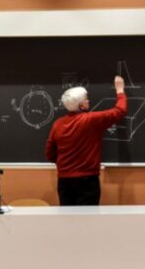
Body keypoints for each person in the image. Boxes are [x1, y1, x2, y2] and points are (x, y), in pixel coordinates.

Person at [44, 75, 127, 205]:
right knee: (87, 220)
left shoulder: (57, 124)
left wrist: (65, 165)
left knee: (68, 219)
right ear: (81, 105)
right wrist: (120, 90)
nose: (88, 101)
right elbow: (120, 111)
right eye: (86, 99)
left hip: (64, 181)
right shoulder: (91, 120)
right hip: (87, 180)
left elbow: (49, 154)